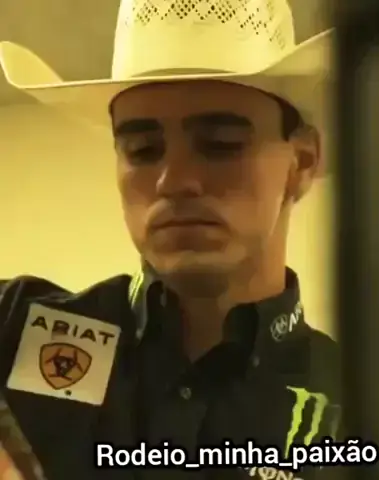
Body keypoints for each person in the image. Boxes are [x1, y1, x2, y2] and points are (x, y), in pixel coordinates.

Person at [0, 0, 340, 478]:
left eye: (220, 145)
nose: (174, 180)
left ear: (301, 164)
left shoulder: (369, 407)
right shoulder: (14, 326)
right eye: (143, 150)